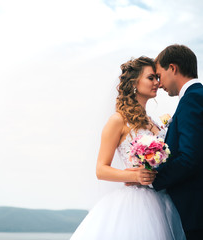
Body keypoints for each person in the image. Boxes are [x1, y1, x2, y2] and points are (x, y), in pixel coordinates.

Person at [70, 56, 185, 240]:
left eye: (157, 77)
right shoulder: (118, 120)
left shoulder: (153, 122)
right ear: (134, 83)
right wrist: (134, 175)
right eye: (151, 78)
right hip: (135, 204)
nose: (157, 82)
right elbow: (101, 169)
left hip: (161, 199)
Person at [152, 44, 203, 240]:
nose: (159, 84)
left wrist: (154, 181)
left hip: (197, 210)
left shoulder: (193, 100)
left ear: (173, 68)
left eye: (159, 75)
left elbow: (189, 158)